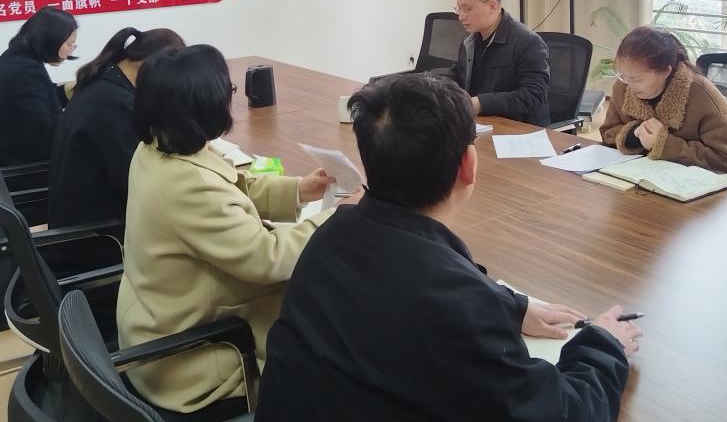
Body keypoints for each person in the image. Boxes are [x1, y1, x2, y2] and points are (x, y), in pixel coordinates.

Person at [257, 74, 641, 421]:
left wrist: (509, 306)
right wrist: (603, 347)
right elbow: (563, 413)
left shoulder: (332, 235)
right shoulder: (456, 304)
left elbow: (417, 288)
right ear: (468, 164)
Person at [117, 44, 338, 414]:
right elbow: (268, 259)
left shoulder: (158, 146)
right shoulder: (187, 185)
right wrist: (335, 219)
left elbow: (232, 187)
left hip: (161, 319)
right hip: (194, 359)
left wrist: (298, 190)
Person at [47, 26, 185, 227]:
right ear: (148, 65)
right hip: (96, 231)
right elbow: (138, 176)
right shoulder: (114, 103)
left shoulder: (104, 80)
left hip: (85, 215)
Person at [599, 26, 727, 179]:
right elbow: (608, 131)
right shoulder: (624, 86)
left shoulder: (703, 96)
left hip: (724, 187)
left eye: (637, 80)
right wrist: (634, 134)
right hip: (653, 178)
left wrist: (663, 144)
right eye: (623, 76)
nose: (629, 85)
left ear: (665, 71)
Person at [0, 6, 78, 170]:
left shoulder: (15, 58)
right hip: (19, 166)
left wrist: (69, 90)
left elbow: (35, 101)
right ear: (51, 40)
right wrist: (83, 116)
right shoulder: (26, 71)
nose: (71, 50)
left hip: (3, 152)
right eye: (69, 44)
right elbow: (44, 131)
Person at [449, 0, 551, 126]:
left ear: (492, 6)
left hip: (519, 130)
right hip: (481, 124)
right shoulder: (469, 40)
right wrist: (437, 90)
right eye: (459, 9)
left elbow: (534, 94)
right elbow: (457, 74)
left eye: (467, 9)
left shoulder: (528, 42)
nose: (461, 17)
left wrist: (480, 103)